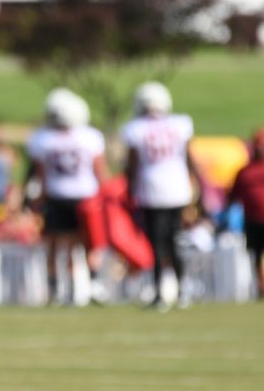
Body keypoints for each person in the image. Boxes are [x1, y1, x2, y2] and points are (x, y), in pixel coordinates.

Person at [122, 81, 200, 311]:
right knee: (173, 240)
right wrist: (196, 183)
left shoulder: (136, 128)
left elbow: (133, 164)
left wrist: (130, 187)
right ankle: (182, 289)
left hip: (152, 189)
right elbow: (189, 158)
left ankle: (160, 292)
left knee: (157, 243)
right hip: (177, 189)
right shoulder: (179, 124)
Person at [26, 88, 108, 305]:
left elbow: (40, 176)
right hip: (86, 197)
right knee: (86, 244)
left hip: (57, 197)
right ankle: (92, 286)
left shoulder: (42, 139)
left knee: (58, 246)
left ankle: (58, 290)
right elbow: (101, 173)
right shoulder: (90, 137)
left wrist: (36, 200)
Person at [227, 129, 264, 298]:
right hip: (253, 219)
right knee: (255, 255)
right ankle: (260, 287)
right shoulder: (244, 171)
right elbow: (233, 196)